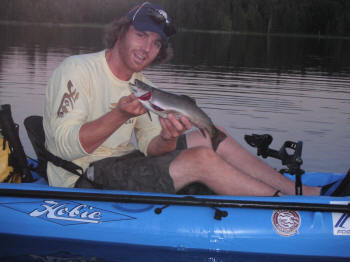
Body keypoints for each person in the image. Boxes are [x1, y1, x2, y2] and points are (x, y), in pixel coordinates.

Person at [43, 2, 349, 196]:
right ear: (121, 32)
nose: (147, 48)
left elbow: (152, 148)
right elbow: (62, 146)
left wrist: (166, 136)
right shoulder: (77, 70)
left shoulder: (143, 86)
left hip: (127, 162)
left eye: (156, 43)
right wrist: (118, 116)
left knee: (214, 136)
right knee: (202, 159)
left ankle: (304, 192)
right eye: (141, 35)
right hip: (83, 176)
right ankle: (284, 210)